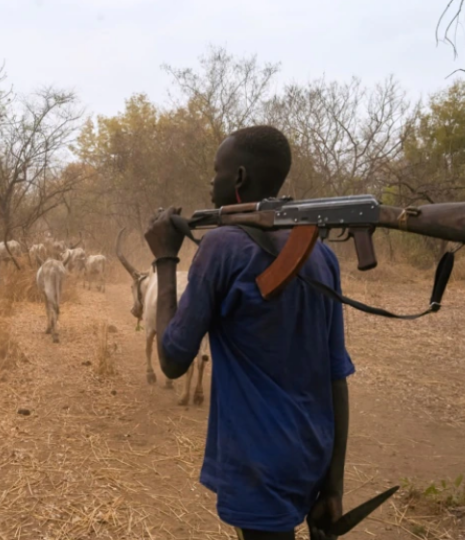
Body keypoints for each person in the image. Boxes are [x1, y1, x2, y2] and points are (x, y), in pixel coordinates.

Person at [144, 125, 354, 540]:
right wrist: (333, 485)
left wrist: (166, 258)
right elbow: (336, 375)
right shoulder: (322, 253)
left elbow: (171, 360)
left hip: (260, 462)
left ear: (239, 178)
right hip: (314, 451)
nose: (209, 180)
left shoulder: (221, 248)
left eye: (216, 170)